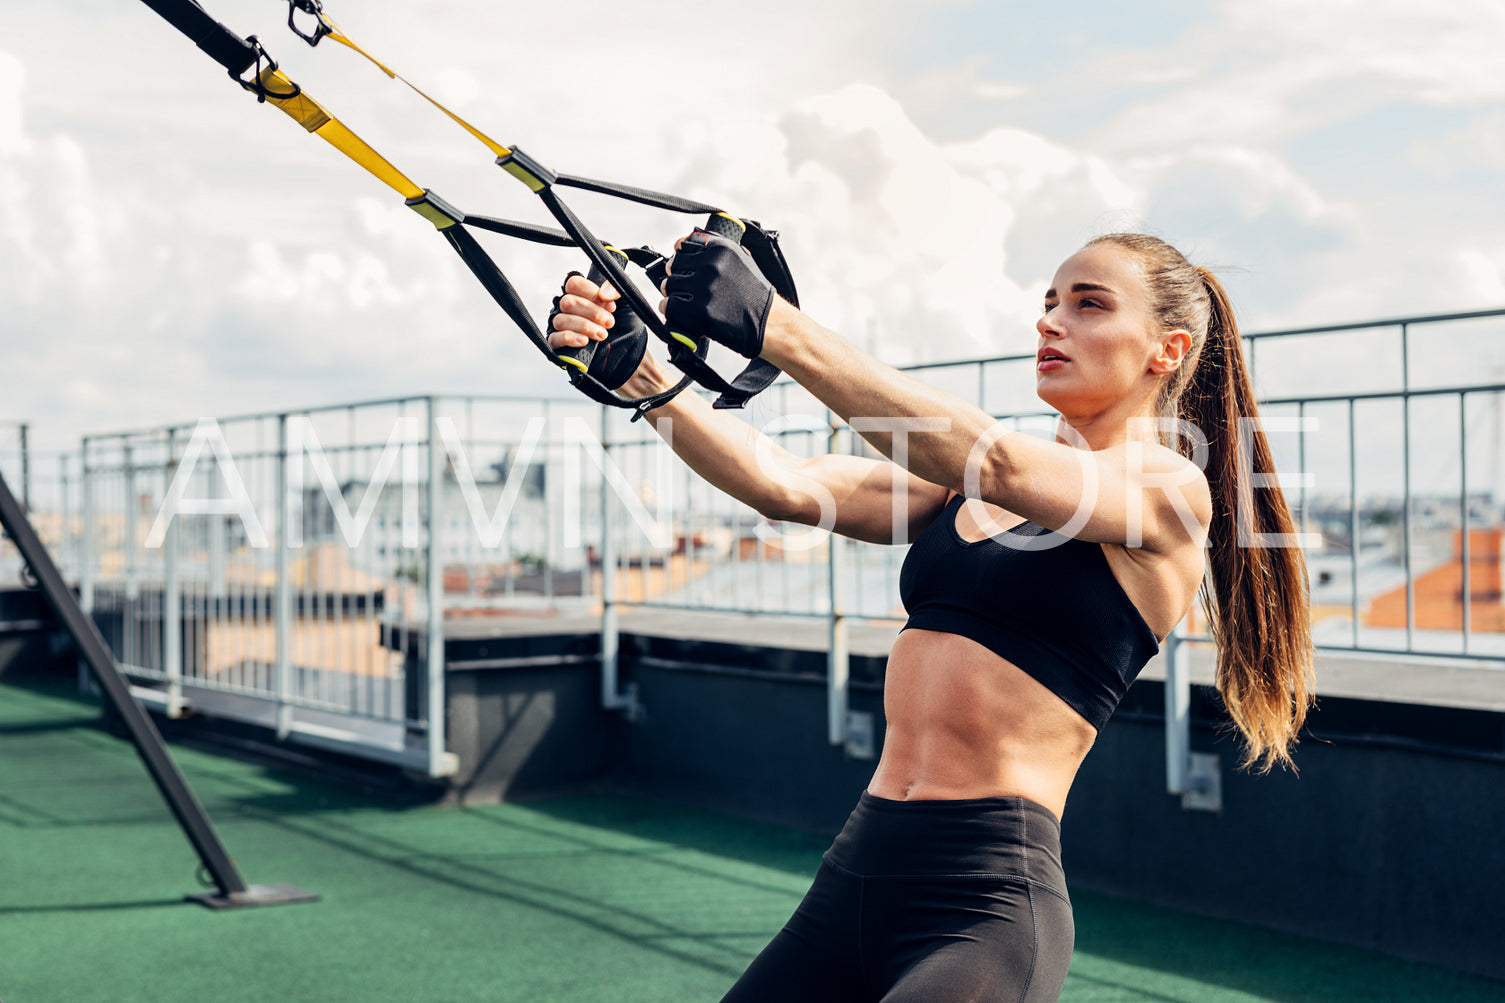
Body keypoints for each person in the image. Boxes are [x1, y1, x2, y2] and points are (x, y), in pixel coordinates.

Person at [548, 231, 1315, 1002]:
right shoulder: (963, 493)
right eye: (1049, 303)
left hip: (981, 902)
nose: (1052, 322)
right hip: (856, 868)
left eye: (1088, 305)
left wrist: (773, 323)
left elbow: (996, 458)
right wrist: (644, 376)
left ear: (1165, 349)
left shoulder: (1166, 488)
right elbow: (781, 481)